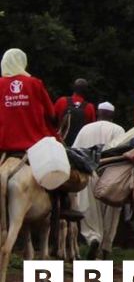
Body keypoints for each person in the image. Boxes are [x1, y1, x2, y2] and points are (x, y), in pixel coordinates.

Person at [0, 48, 81, 220]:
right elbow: (51, 113)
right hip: (34, 143)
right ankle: (63, 203)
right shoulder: (34, 83)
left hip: (3, 143)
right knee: (61, 167)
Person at [72, 101, 125, 259]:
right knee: (111, 211)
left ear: (98, 113)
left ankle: (93, 238)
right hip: (111, 174)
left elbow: (75, 152)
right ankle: (106, 247)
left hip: (90, 173)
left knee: (90, 209)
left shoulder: (85, 129)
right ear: (112, 115)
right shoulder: (119, 130)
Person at [54, 78, 96, 145]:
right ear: (86, 91)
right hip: (78, 146)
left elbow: (52, 121)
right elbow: (91, 130)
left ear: (73, 88)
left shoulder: (61, 101)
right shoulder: (89, 107)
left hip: (60, 143)